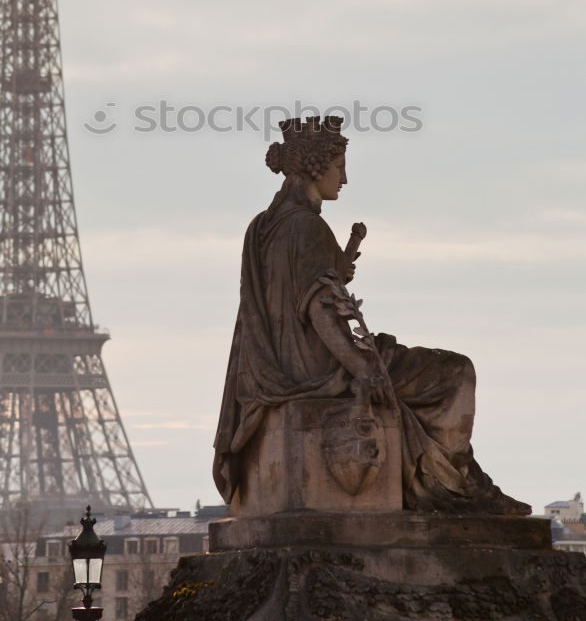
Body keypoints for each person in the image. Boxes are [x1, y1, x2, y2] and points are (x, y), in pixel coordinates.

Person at [213, 116, 529, 515]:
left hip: (278, 369)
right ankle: (454, 485)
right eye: (339, 166)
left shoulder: (263, 227)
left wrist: (337, 269)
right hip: (321, 367)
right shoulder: (309, 228)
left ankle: (453, 476)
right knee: (456, 371)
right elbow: (319, 311)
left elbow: (286, 301)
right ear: (316, 166)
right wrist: (362, 368)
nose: (344, 178)